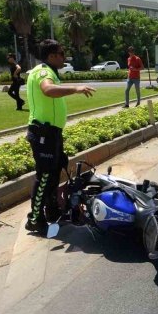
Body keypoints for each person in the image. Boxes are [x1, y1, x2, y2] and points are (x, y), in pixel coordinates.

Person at [24, 39, 96, 235]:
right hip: (43, 134)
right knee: (45, 176)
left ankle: (52, 211)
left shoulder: (49, 72)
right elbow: (48, 90)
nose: (64, 57)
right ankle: (34, 219)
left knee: (54, 173)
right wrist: (76, 88)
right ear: (51, 56)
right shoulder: (43, 72)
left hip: (52, 133)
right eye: (61, 53)